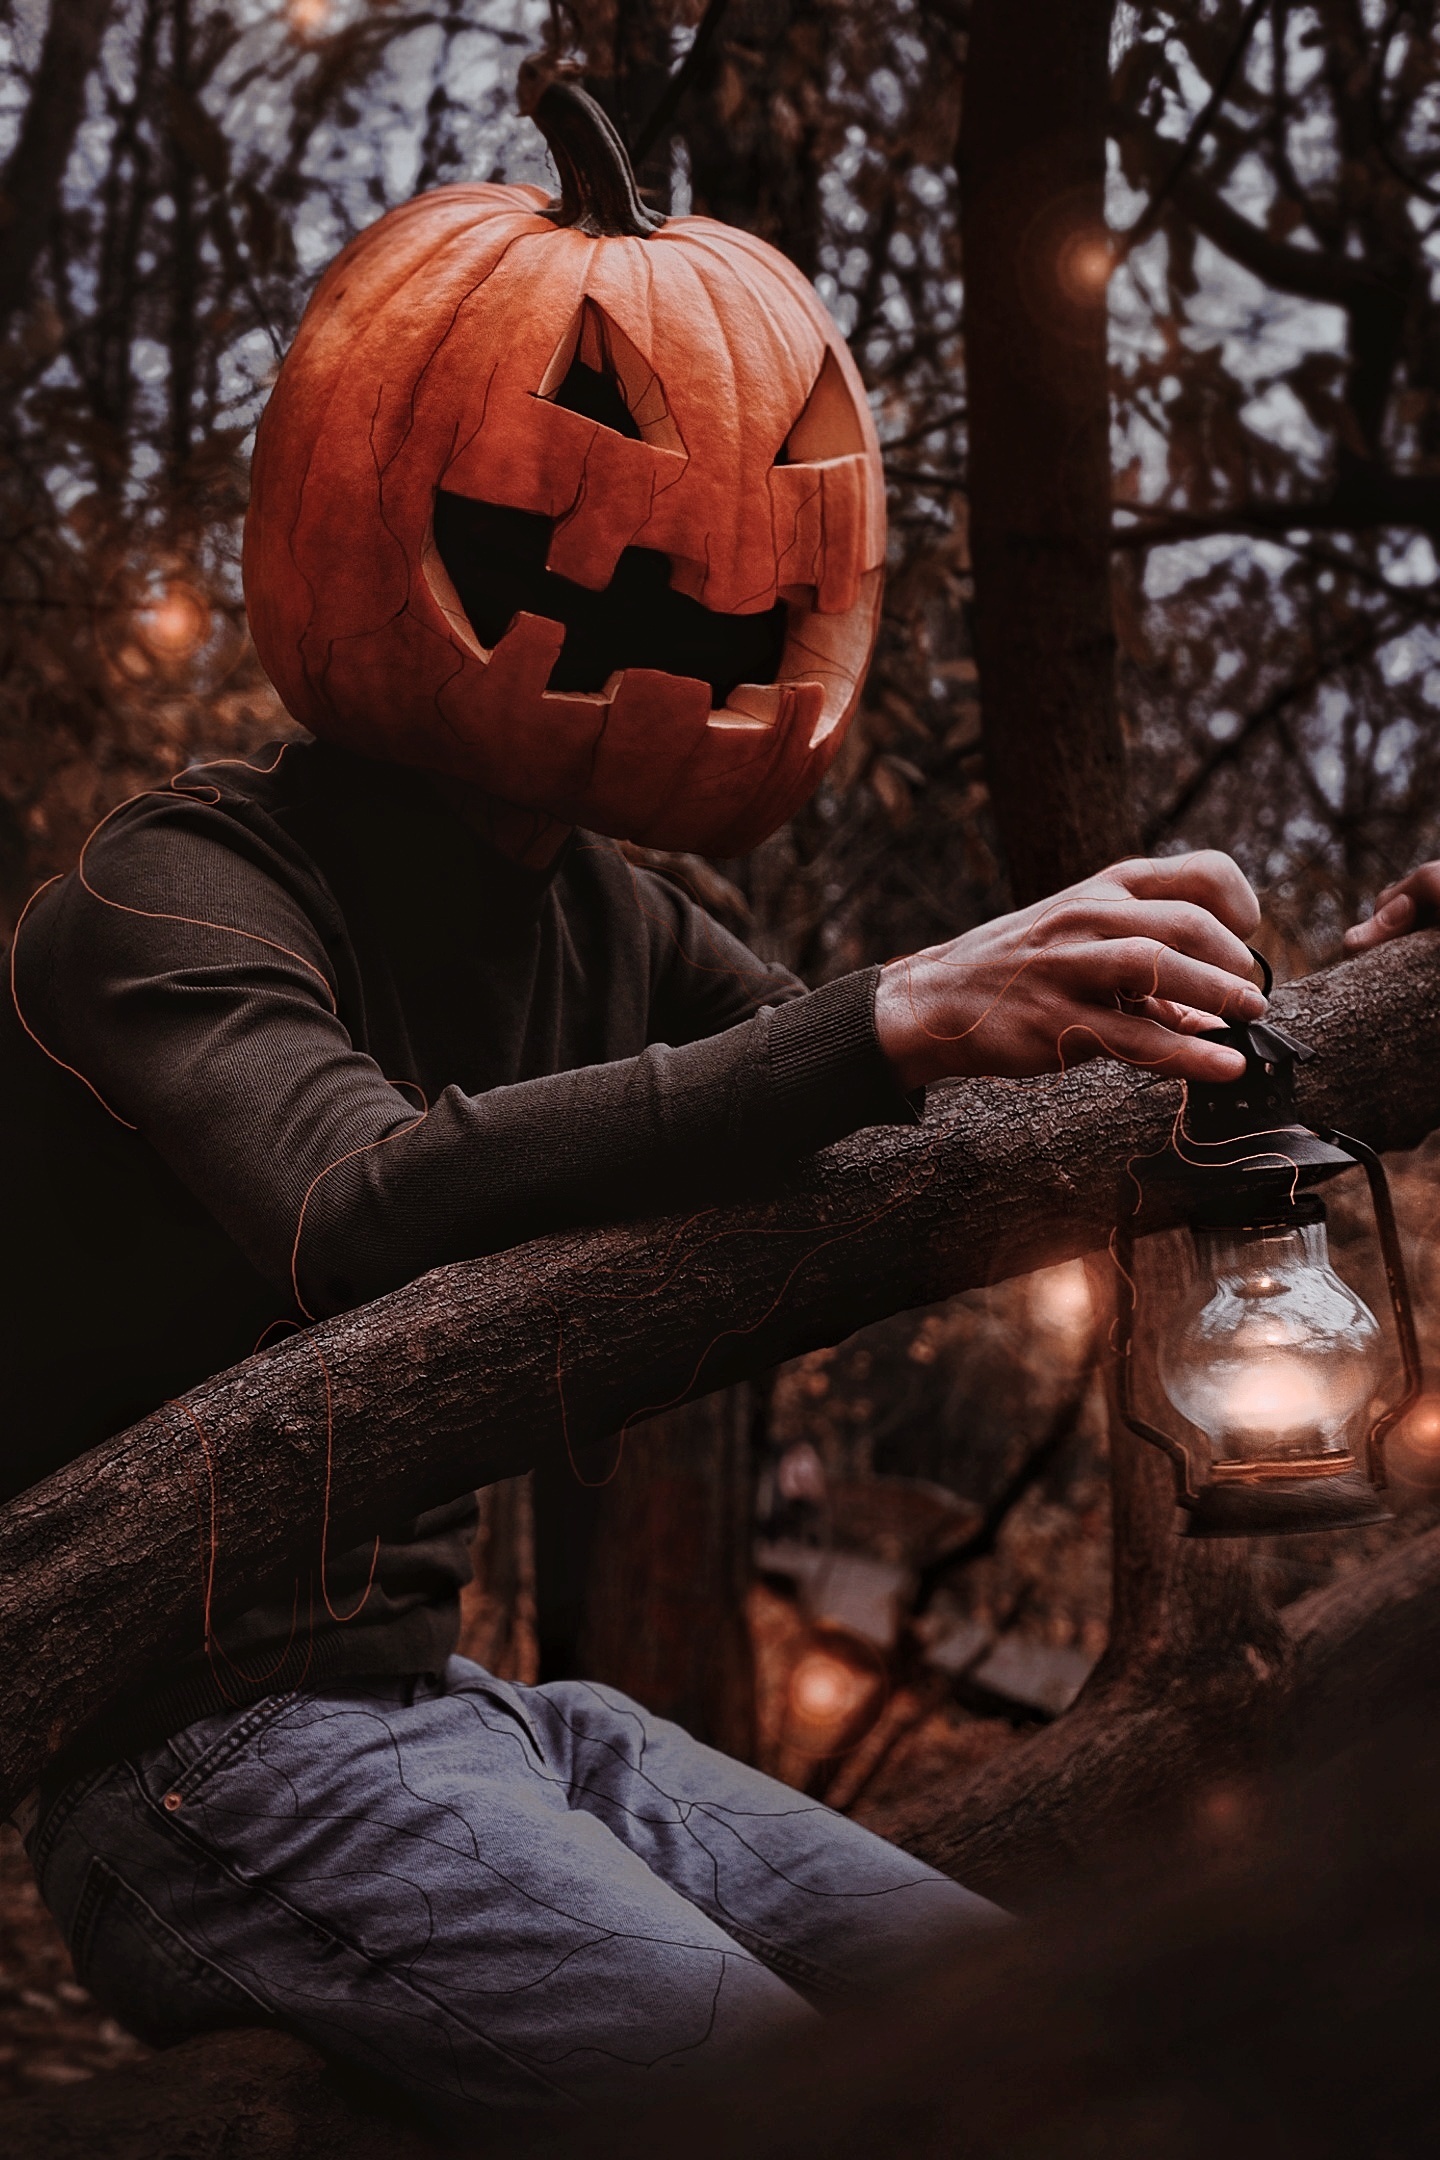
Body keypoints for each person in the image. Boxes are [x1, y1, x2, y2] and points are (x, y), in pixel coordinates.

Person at [0, 77, 1303, 2140]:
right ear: (380, 461)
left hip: (489, 1719)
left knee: (1059, 2030)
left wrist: (1327, 1009)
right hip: (200, 1767)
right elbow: (353, 1197)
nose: (695, 511)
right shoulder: (162, 896)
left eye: (784, 457)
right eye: (598, 414)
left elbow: (906, 1119)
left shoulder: (629, 918)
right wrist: (893, 1009)